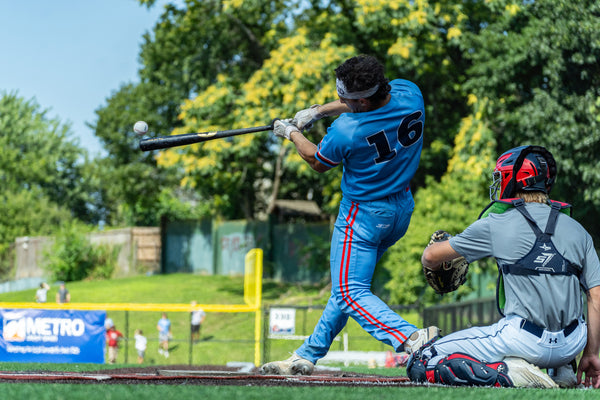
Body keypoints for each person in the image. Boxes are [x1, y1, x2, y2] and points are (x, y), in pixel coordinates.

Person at [260, 55, 435, 376]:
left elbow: (317, 160)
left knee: (348, 291)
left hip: (363, 218)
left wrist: (290, 133)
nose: (339, 103)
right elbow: (369, 104)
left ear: (363, 100)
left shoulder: (347, 131)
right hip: (400, 210)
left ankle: (412, 338)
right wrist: (317, 111)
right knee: (349, 289)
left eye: (344, 100)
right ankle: (307, 355)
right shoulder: (411, 93)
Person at [408, 145, 600, 388]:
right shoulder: (578, 229)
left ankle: (507, 372)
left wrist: (435, 246)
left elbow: (431, 258)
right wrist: (592, 354)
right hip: (572, 344)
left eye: (500, 177)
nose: (498, 184)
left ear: (512, 179)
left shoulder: (496, 223)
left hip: (521, 338)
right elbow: (596, 295)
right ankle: (562, 369)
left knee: (422, 359)